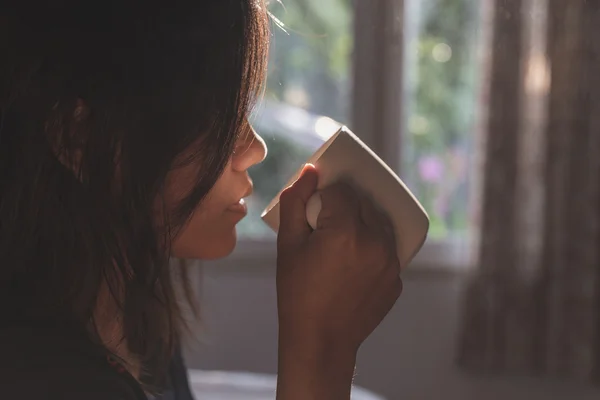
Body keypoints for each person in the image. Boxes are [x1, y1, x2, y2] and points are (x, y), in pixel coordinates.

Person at [0, 1, 403, 399]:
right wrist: (320, 352)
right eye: (214, 117)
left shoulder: (132, 317)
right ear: (79, 138)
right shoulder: (43, 378)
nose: (255, 149)